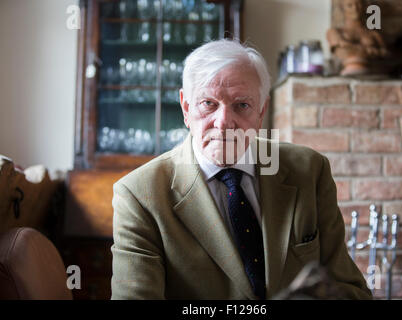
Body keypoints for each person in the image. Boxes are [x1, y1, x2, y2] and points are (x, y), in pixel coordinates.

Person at [110, 39, 372, 300]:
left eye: (241, 105)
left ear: (261, 111)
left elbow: (350, 291)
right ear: (186, 108)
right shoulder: (139, 194)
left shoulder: (309, 170)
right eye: (208, 104)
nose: (224, 123)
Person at [327, 0, 387, 75]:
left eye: (358, 4)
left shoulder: (374, 34)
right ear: (342, 8)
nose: (355, 8)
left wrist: (351, 48)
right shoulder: (335, 32)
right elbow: (341, 48)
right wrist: (369, 50)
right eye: (350, 5)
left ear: (364, 7)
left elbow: (385, 53)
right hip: (346, 74)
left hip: (374, 75)